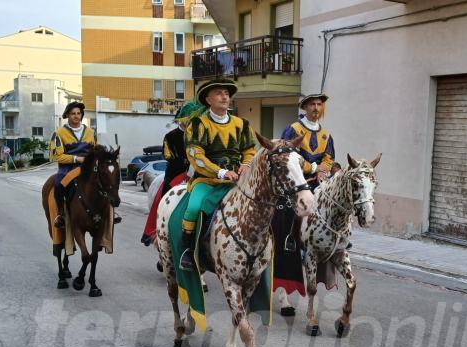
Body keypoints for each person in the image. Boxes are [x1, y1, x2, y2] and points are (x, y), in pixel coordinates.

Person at [178, 79, 257, 271]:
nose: (225, 97)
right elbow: (195, 156)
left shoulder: (242, 124)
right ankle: (187, 251)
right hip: (206, 180)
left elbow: (249, 150)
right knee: (194, 208)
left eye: (227, 94)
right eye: (219, 93)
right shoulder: (198, 124)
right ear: (208, 99)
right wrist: (221, 172)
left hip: (237, 181)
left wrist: (246, 165)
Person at [272, 94, 336, 308]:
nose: (316, 108)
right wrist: (314, 168)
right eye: (312, 105)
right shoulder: (293, 130)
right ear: (305, 108)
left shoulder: (326, 135)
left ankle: (336, 239)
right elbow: (288, 156)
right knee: (286, 219)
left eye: (319, 104)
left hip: (318, 182)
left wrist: (323, 171)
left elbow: (329, 157)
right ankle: (289, 240)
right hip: (295, 183)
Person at [140, 101, 203, 247]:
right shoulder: (170, 136)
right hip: (176, 173)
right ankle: (157, 229)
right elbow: (168, 155)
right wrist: (187, 163)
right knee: (164, 198)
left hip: (198, 171)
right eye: (188, 119)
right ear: (181, 119)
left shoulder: (199, 134)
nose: (190, 122)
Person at [49, 102, 98, 229]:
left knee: (107, 181)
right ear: (67, 115)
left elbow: (95, 150)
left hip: (88, 167)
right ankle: (61, 214)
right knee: (58, 184)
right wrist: (77, 158)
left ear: (81, 115)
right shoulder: (59, 133)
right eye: (73, 114)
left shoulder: (91, 132)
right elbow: (56, 156)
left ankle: (110, 212)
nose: (76, 116)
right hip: (67, 168)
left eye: (79, 113)